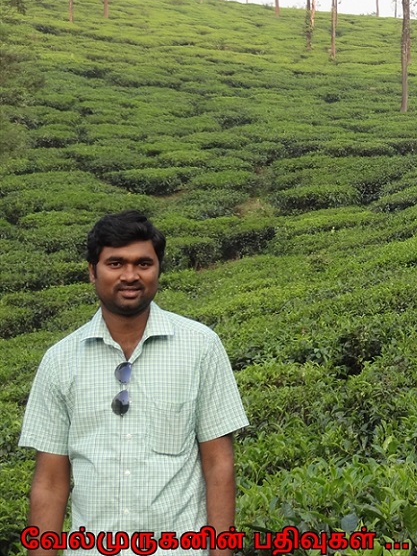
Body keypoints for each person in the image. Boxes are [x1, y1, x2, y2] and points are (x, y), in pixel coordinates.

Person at [19, 210, 249, 556]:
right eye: (115, 263)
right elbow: (50, 483)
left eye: (143, 263)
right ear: (92, 271)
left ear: (158, 269)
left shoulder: (201, 347)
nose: (130, 276)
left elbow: (219, 464)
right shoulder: (59, 361)